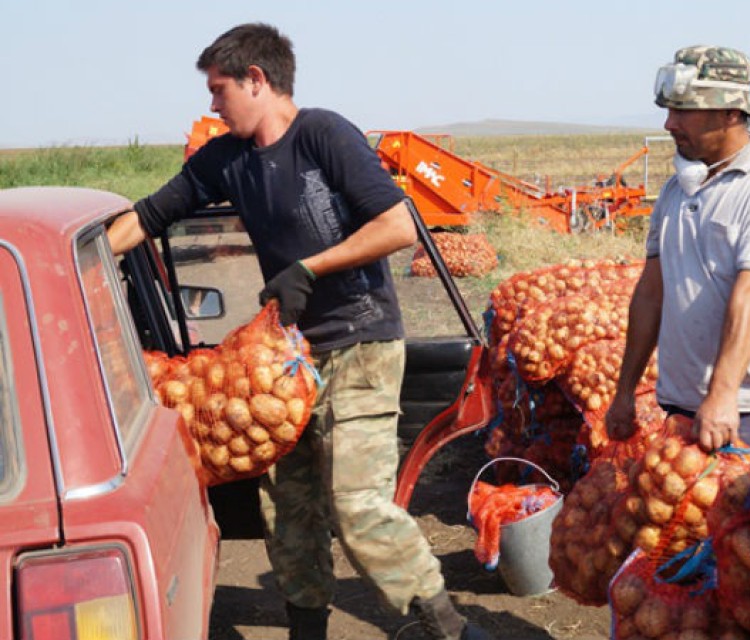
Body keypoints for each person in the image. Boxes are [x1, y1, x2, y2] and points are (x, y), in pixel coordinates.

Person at [107, 22, 489, 640]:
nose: (211, 103)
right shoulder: (226, 159)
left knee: (357, 506)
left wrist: (309, 267)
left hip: (362, 343)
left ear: (257, 80)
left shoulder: (323, 135)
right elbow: (149, 217)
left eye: (219, 88)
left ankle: (447, 625)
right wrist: (77, 260)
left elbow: (398, 227)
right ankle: (306, 628)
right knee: (287, 508)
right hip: (289, 361)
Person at [605, 45, 750, 452]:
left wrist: (722, 394)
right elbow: (651, 293)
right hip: (685, 406)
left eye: (683, 111)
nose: (669, 123)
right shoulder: (675, 190)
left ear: (730, 113)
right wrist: (625, 391)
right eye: (669, 110)